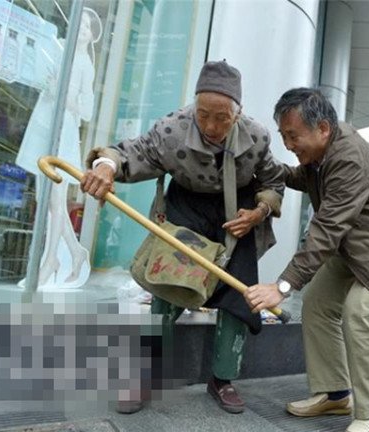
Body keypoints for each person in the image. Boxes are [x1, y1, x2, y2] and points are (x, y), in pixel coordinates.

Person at [80, 60, 284, 414]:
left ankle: (222, 379)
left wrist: (259, 212)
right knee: (165, 292)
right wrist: (105, 165)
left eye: (222, 117)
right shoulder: (172, 129)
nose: (211, 126)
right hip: (186, 210)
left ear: (238, 112)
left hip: (237, 216)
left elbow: (273, 181)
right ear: (194, 106)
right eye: (203, 114)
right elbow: (133, 152)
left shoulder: (258, 137)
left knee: (239, 297)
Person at [244, 88, 369, 432]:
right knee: (316, 302)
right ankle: (335, 394)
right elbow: (302, 176)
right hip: (356, 239)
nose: (288, 144)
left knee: (360, 311)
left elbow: (327, 228)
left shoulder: (348, 158)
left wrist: (281, 286)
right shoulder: (320, 154)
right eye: (284, 136)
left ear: (323, 128)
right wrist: (263, 167)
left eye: (293, 136)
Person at [16, 9, 102, 288]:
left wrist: (63, 96)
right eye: (80, 25)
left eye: (88, 28)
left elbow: (86, 111)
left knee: (55, 199)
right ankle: (75, 253)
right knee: (46, 199)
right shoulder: (58, 50)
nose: (83, 31)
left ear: (91, 37)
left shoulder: (86, 66)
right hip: (44, 121)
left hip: (62, 131)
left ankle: (52, 258)